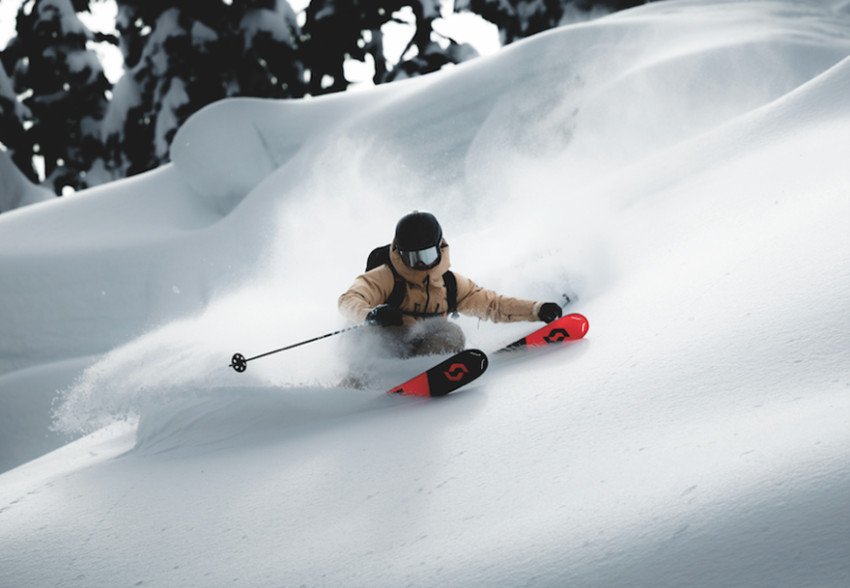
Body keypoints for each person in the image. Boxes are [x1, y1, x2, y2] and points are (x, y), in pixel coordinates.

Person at [338, 211, 564, 358]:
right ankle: (358, 390)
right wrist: (370, 315)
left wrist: (537, 310)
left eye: (425, 256)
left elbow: (492, 305)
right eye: (411, 257)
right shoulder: (385, 277)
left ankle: (420, 372)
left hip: (415, 352)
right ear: (399, 254)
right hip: (378, 349)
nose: (419, 264)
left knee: (450, 332)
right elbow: (349, 300)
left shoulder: (450, 284)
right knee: (368, 346)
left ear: (439, 248)